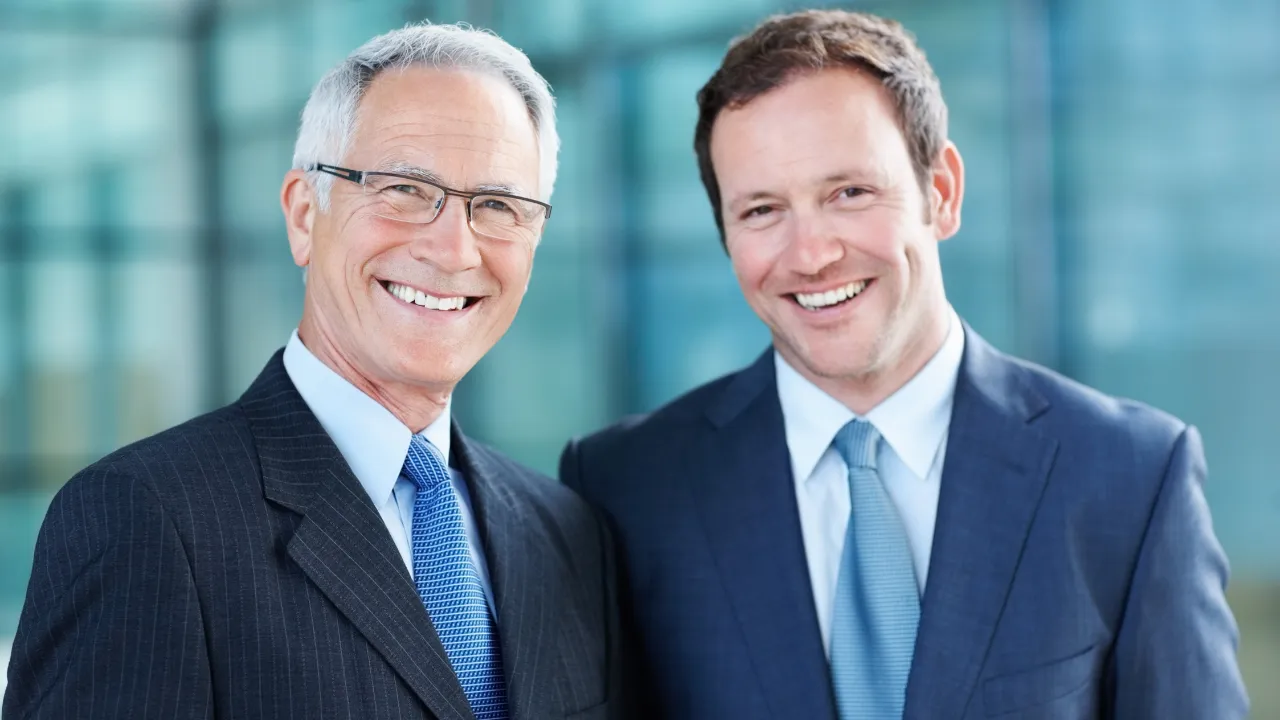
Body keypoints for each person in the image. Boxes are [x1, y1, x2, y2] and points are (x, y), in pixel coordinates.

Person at [560, 9, 1247, 719]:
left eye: (849, 193)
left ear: (941, 191)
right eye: (762, 210)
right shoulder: (626, 491)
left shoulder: (1127, 475)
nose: (811, 254)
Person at [6, 23, 621, 720]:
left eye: (498, 207)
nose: (454, 250)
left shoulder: (566, 531)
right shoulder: (146, 520)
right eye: (406, 190)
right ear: (304, 214)